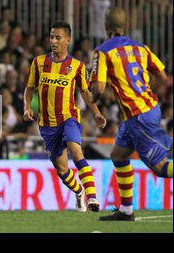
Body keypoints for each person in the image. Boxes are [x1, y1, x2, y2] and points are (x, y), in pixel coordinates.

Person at [90, 7, 173, 221]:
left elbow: (98, 88)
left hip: (138, 116)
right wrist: (148, 95)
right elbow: (163, 76)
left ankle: (126, 210)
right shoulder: (141, 48)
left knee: (161, 168)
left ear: (105, 26)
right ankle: (126, 210)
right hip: (141, 111)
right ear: (125, 26)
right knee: (118, 156)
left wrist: (92, 99)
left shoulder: (102, 51)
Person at [23, 21, 106, 212]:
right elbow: (29, 88)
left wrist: (96, 113)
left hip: (69, 117)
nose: (53, 41)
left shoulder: (77, 65)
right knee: (61, 170)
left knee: (76, 151)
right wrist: (27, 107)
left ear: (67, 40)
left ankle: (92, 197)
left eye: (57, 37)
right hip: (47, 124)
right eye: (51, 37)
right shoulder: (38, 62)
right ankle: (79, 193)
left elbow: (85, 93)